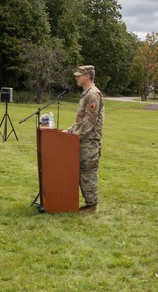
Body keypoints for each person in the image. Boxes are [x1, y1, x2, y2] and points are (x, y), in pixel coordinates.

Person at [65, 65, 105, 214]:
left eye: (79, 75)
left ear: (87, 76)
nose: (76, 77)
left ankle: (91, 206)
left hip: (89, 142)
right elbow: (80, 120)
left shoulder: (93, 94)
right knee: (82, 172)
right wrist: (68, 131)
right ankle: (87, 204)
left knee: (88, 173)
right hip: (83, 140)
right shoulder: (86, 94)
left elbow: (90, 121)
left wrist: (76, 136)